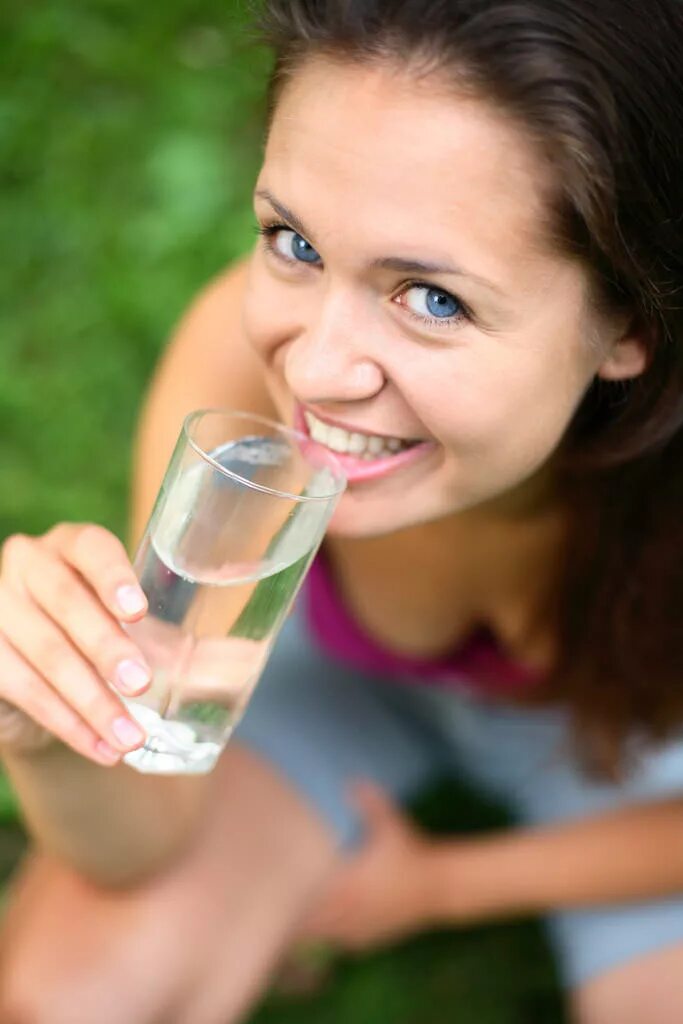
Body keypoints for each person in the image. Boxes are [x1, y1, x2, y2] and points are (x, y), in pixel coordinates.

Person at [1, 0, 682, 1020]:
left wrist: (440, 885)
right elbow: (144, 828)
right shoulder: (234, 387)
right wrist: (51, 720)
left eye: (432, 298)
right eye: (294, 242)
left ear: (626, 317)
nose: (312, 371)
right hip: (329, 683)